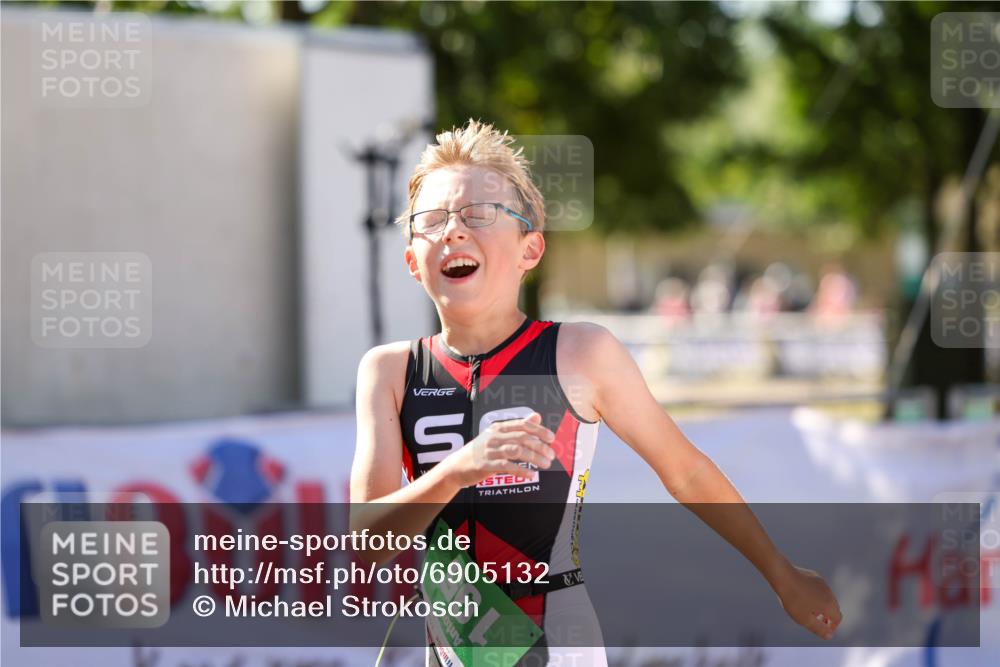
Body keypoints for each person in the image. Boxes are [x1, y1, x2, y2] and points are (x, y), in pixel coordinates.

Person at [349, 120, 842, 667]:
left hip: (556, 640)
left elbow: (687, 472)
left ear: (529, 250)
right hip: (447, 647)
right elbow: (366, 542)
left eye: (479, 214)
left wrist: (781, 573)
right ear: (413, 262)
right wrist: (461, 468)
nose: (453, 232)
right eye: (432, 220)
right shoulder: (389, 371)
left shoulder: (580, 353)